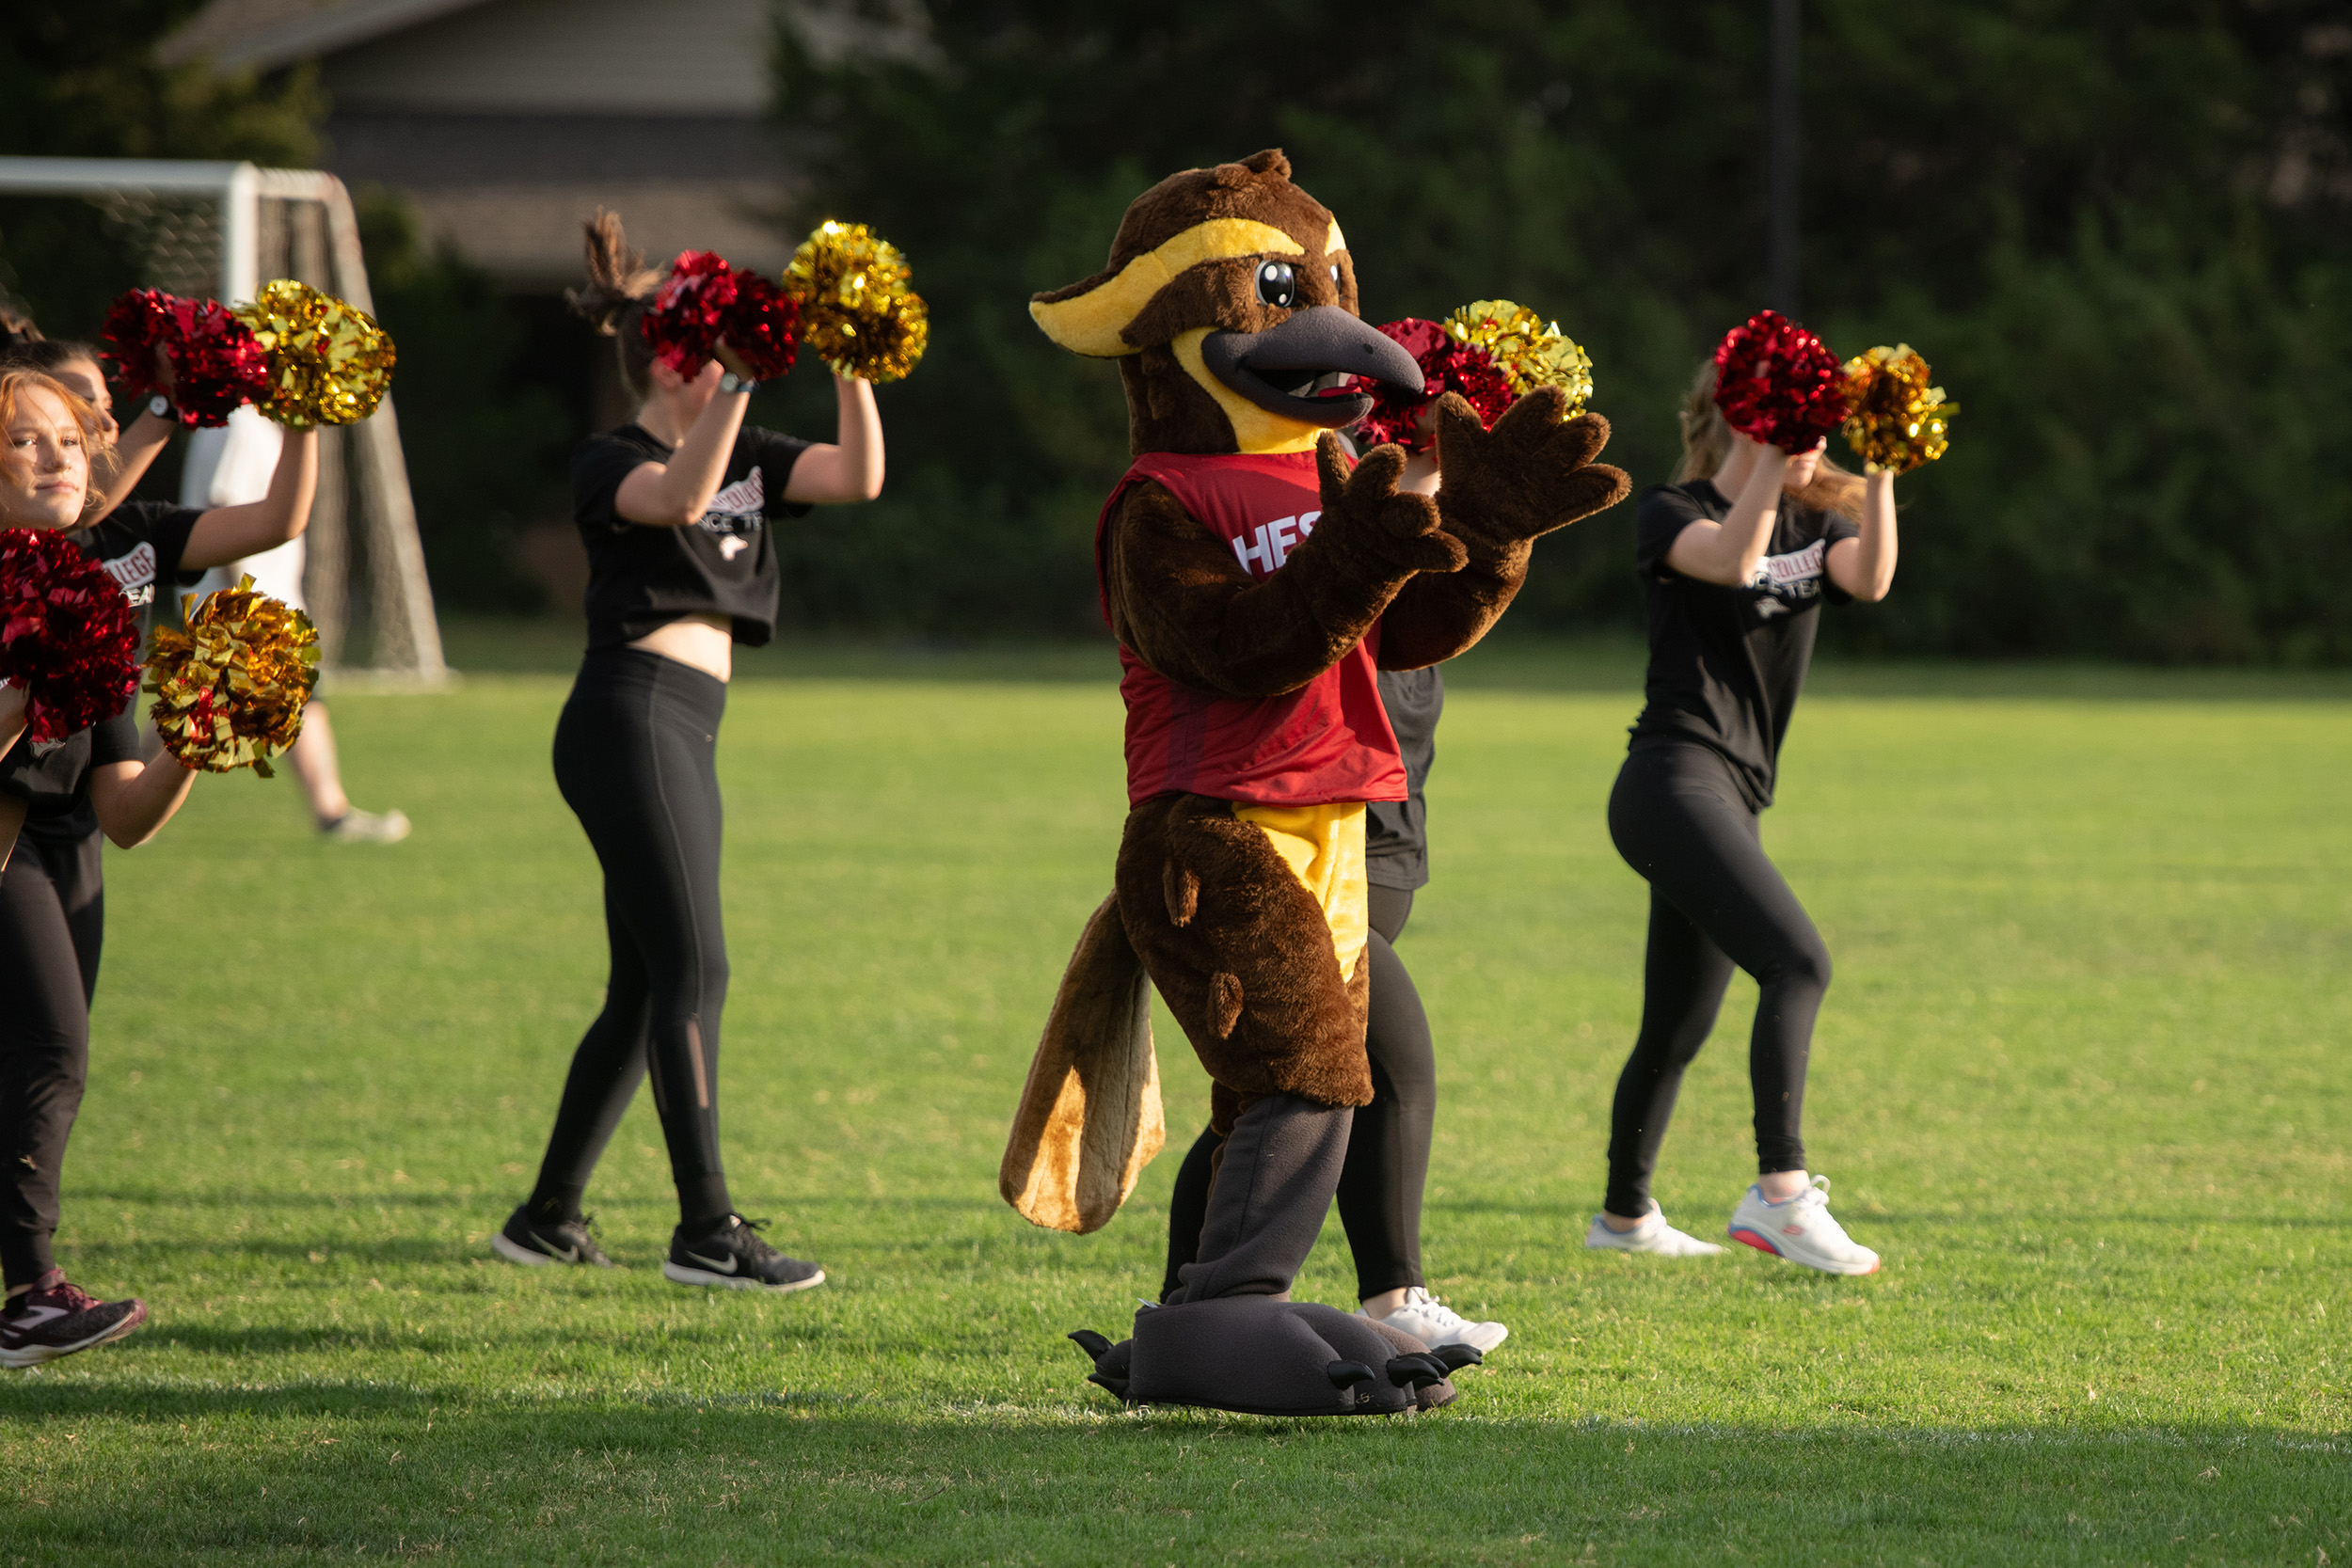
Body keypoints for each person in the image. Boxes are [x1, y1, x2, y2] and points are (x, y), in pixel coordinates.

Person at [493, 212, 882, 1291]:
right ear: (675, 359)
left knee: (644, 983)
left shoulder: (742, 445)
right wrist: (746, 383)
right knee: (697, 969)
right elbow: (677, 497)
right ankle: (707, 1227)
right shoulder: (610, 456)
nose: (733, 372)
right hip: (627, 713)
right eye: (717, 355)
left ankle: (546, 1216)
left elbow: (858, 477)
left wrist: (854, 361)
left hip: (684, 727)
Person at [1157, 420, 1507, 1353]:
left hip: (1384, 845)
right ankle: (1393, 1300)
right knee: (1390, 1068)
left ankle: (1179, 1312)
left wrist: (1499, 514)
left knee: (1267, 1094)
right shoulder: (1334, 525)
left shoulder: (1425, 554)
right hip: (1297, 834)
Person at [0, 364, 311, 1364]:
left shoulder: (104, 566)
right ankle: (34, 1293)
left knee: (47, 1056)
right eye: (23, 438)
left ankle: (30, 1288)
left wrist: (202, 730)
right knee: (51, 1049)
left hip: (62, 842)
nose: (54, 453)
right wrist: (29, 676)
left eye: (66, 435)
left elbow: (128, 814)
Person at [1582, 360, 1897, 1273]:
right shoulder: (1670, 512)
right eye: (1797, 424)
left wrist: (1879, 466)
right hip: (1669, 785)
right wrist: (1766, 452)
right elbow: (1727, 560)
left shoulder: (1809, 517)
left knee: (1677, 1024)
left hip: (1731, 797)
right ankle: (1780, 1192)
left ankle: (1623, 1215)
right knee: (1798, 962)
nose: (1815, 445)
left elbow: (1868, 579)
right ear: (1743, 424)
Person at [184, 407, 410, 843]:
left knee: (203, 710)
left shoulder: (236, 424)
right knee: (265, 703)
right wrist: (241, 604)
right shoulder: (242, 425)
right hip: (246, 602)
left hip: (239, 598)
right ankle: (332, 813)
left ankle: (332, 812)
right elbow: (225, 502)